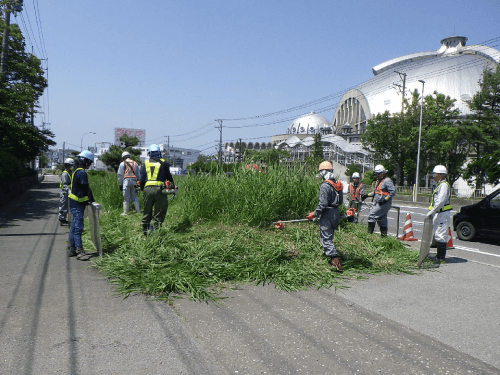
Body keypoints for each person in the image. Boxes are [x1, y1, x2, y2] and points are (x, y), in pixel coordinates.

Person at [306, 161, 343, 271]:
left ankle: (335, 261)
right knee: (330, 236)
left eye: (320, 172)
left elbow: (323, 204)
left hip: (327, 214)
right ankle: (328, 254)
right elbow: (341, 202)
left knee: (326, 238)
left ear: (323, 172)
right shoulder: (339, 184)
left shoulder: (325, 185)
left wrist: (314, 214)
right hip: (336, 212)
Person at [140, 144, 175, 235]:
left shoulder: (145, 163)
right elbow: (169, 177)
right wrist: (172, 185)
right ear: (159, 152)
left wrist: (142, 188)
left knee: (147, 209)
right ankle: (153, 228)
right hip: (160, 189)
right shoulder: (164, 163)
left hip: (147, 189)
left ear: (149, 153)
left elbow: (142, 179)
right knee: (160, 210)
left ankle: (145, 228)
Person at [67, 150, 95, 261]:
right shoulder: (82, 173)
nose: (90, 165)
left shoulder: (76, 172)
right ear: (86, 161)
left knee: (73, 227)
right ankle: (79, 251)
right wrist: (92, 201)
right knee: (78, 228)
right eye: (90, 163)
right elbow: (86, 188)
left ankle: (72, 248)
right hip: (78, 204)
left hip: (74, 203)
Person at [427, 165, 452, 262]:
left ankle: (440, 258)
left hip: (442, 214)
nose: (433, 176)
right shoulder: (440, 185)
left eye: (435, 174)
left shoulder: (444, 186)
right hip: (439, 214)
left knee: (441, 236)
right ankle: (439, 256)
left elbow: (441, 201)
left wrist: (432, 211)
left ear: (441, 175)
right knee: (438, 234)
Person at [364, 164, 396, 237]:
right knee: (382, 221)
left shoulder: (387, 181)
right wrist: (366, 195)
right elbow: (375, 192)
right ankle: (384, 237)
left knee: (371, 215)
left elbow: (392, 192)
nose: (377, 175)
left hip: (384, 204)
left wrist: (385, 199)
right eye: (376, 174)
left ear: (383, 173)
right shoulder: (378, 181)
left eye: (378, 174)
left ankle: (369, 235)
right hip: (380, 203)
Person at [117, 150, 141, 215]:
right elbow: (138, 174)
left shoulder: (122, 163)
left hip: (126, 181)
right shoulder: (135, 163)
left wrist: (121, 183)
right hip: (134, 181)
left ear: (123, 157)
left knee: (126, 197)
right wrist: (139, 182)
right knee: (134, 196)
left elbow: (120, 175)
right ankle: (138, 211)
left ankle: (125, 212)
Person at [58, 158, 75, 226]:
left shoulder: (69, 173)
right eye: (71, 165)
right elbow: (64, 184)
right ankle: (62, 219)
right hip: (65, 192)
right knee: (64, 206)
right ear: (68, 165)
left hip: (68, 192)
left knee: (67, 206)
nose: (72, 167)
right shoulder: (65, 174)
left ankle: (65, 219)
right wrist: (69, 190)